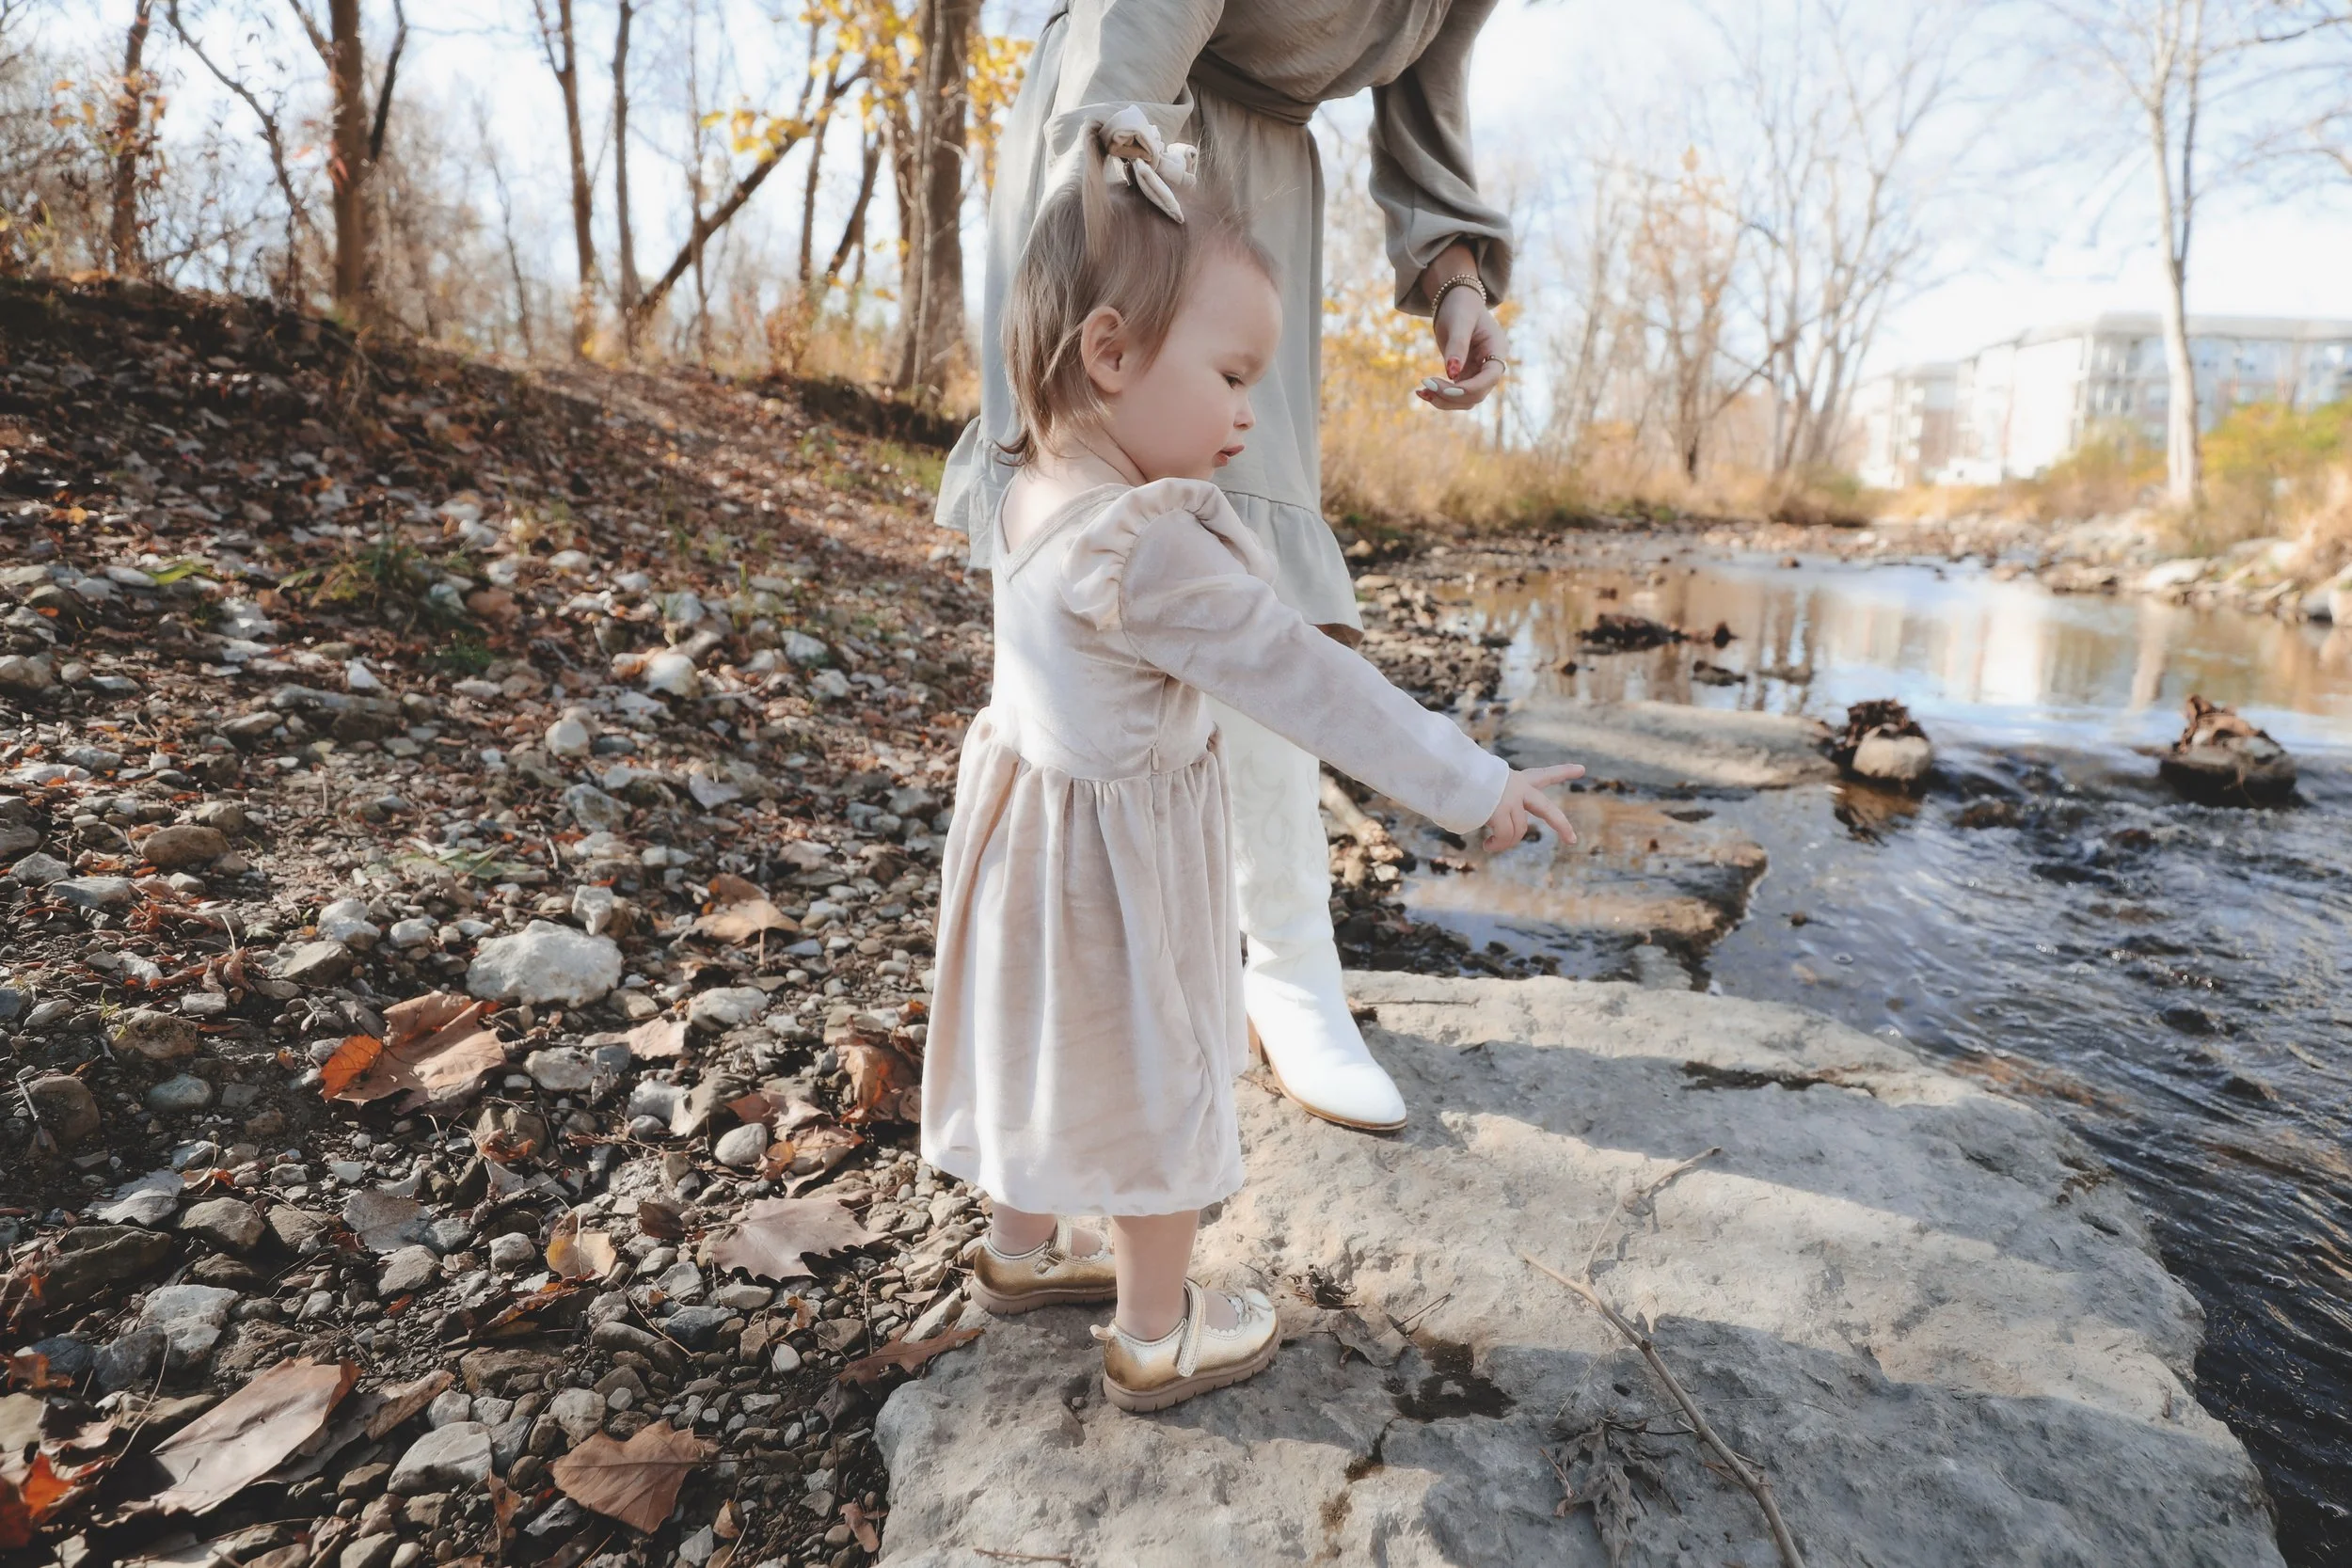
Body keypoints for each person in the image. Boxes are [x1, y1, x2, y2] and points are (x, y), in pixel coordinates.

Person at [921, 113, 1578, 1412]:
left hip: (1023, 848)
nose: (1247, 413)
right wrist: (1474, 784)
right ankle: (1156, 1331)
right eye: (1231, 377)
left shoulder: (1026, 483)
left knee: (1039, 1043)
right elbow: (1315, 681)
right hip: (1119, 870)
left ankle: (1019, 1247)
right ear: (1109, 352)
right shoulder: (1150, 545)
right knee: (1160, 1073)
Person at [935, 1, 1514, 1133]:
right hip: (1129, 134)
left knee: (1248, 554)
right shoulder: (1118, 196)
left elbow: (1424, 103)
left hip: (1264, 177)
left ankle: (1288, 965)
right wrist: (1121, 200)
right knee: (1078, 502)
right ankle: (1055, 967)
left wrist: (1456, 276)